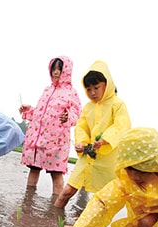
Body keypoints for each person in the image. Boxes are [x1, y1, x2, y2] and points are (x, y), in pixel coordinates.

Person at [54, 60, 131, 208]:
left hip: (107, 160)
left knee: (103, 201)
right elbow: (81, 126)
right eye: (89, 89)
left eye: (97, 87)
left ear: (106, 84)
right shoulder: (88, 107)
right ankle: (52, 221)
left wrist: (104, 140)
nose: (93, 92)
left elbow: (122, 126)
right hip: (87, 156)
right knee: (66, 192)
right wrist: (81, 142)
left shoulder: (117, 104)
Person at [19, 56, 81, 195]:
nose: (56, 72)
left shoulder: (71, 92)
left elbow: (77, 114)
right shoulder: (47, 90)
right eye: (54, 68)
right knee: (34, 169)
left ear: (67, 70)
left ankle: (56, 208)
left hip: (56, 140)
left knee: (56, 173)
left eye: (60, 68)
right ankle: (27, 202)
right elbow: (40, 113)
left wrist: (68, 117)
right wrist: (28, 110)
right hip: (37, 138)